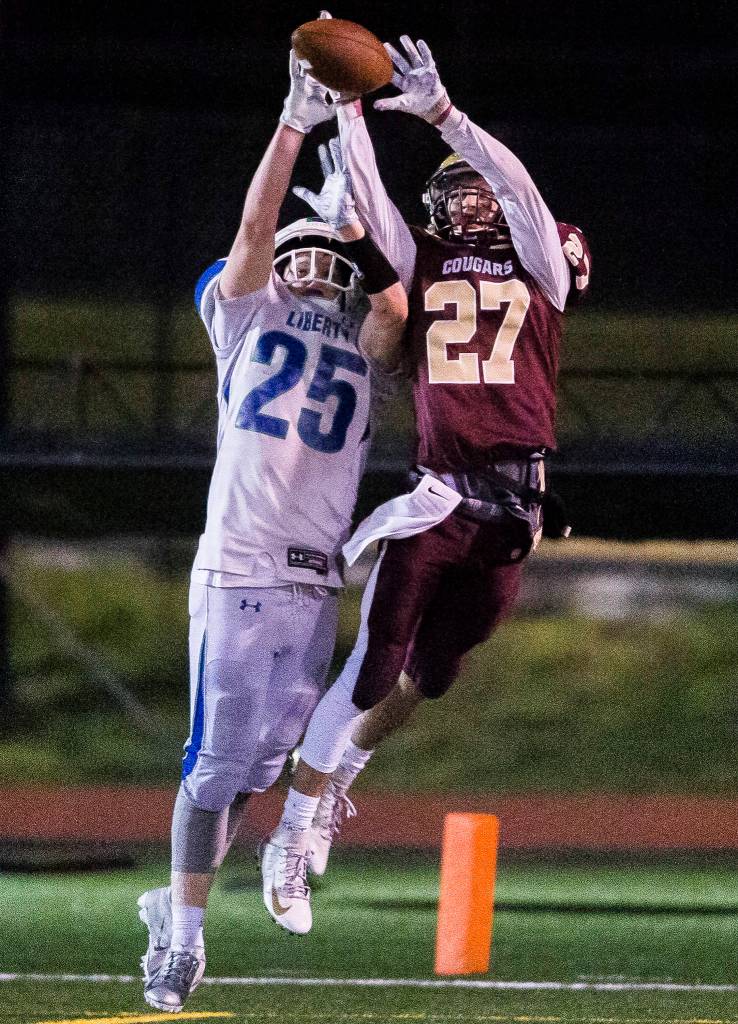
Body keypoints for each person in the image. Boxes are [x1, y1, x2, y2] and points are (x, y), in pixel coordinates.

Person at [261, 32, 591, 930]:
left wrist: (448, 115)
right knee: (374, 669)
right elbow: (367, 200)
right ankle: (292, 834)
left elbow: (521, 191)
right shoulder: (423, 262)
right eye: (458, 193)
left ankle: (340, 781)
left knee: (434, 674)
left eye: (480, 190)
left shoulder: (543, 263)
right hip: (439, 497)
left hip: (514, 508)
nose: (475, 205)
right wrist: (349, 111)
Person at [136, 42, 407, 1013]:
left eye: (322, 257)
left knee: (256, 761)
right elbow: (255, 229)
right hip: (244, 562)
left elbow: (392, 299)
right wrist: (297, 123)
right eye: (300, 253)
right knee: (216, 759)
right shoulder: (243, 315)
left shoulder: (367, 342)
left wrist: (353, 191)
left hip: (313, 574)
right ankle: (184, 932)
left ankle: (179, 901)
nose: (309, 265)